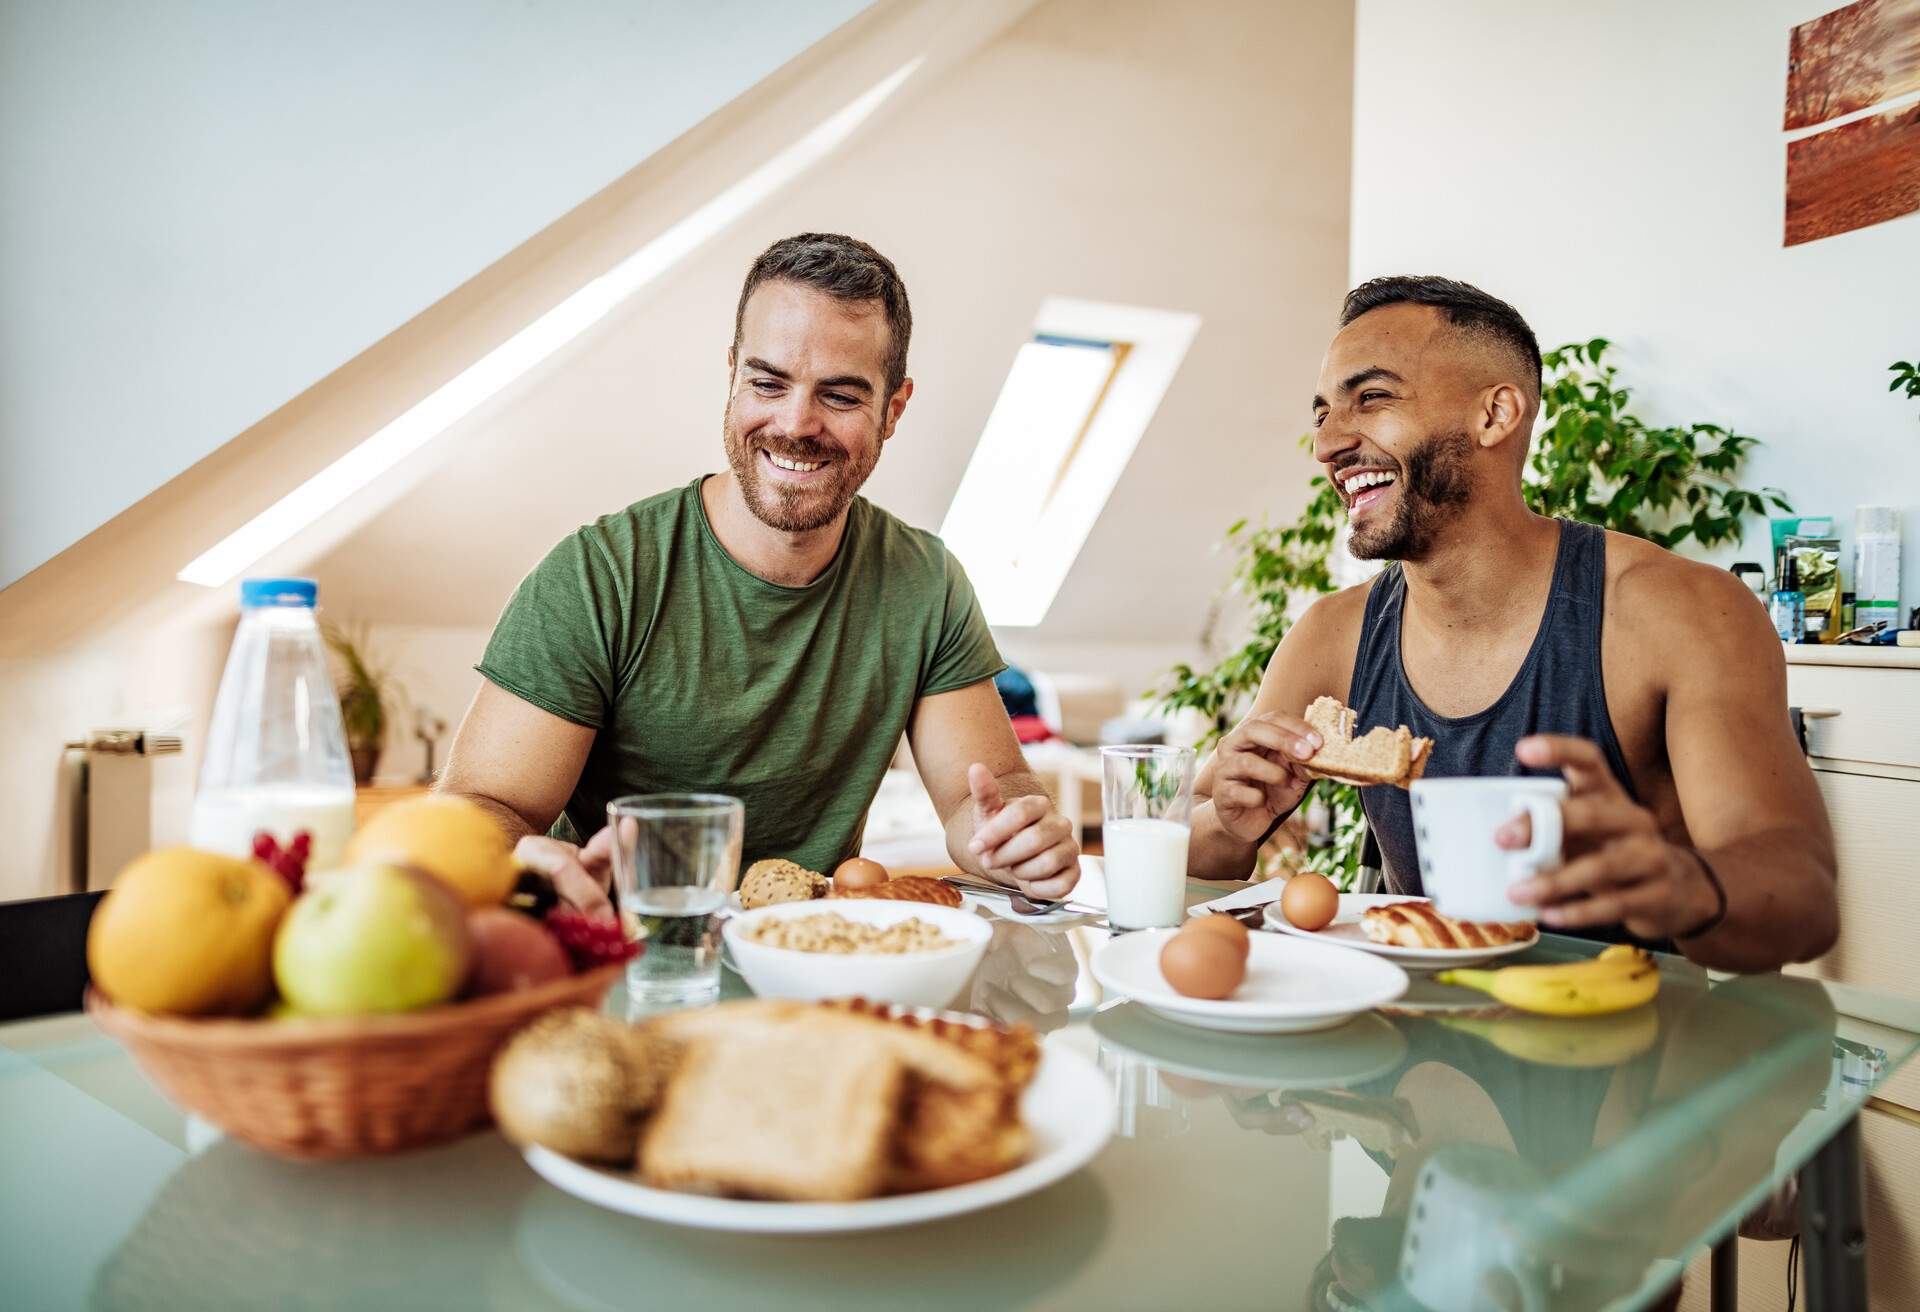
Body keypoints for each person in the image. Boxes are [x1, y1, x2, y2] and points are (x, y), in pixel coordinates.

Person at [1187, 275, 1837, 972]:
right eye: (1322, 414)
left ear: (1495, 415)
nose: (1328, 444)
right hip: (1416, 1050)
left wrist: (1685, 887)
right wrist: (1228, 822)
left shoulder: (1677, 611)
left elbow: (1805, 903)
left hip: (1629, 1053)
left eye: (1371, 398)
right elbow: (1193, 841)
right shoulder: (1331, 635)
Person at [437, 233, 1079, 918]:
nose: (795, 424)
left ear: (893, 410)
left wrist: (1015, 832)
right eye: (768, 383)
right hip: (627, 961)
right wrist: (510, 853)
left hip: (816, 963)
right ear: (733, 375)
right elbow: (480, 808)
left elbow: (984, 791)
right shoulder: (601, 575)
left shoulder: (926, 581)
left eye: (839, 395)